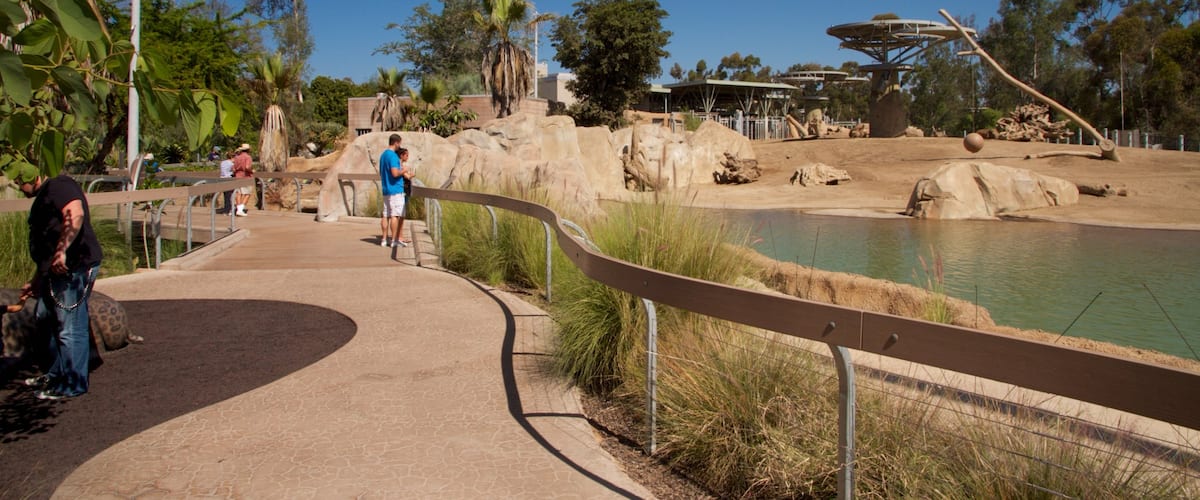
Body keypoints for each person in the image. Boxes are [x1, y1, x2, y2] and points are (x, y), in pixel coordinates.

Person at [10, 164, 103, 400]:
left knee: (70, 327)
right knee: (44, 317)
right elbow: (45, 244)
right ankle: (56, 373)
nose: (19, 189)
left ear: (29, 177)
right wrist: (36, 280)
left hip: (73, 268)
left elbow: (76, 212)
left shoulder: (59, 186)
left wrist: (62, 251)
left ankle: (73, 383)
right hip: (54, 273)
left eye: (19, 183)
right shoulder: (44, 196)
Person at [377, 134, 412, 247]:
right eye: (399, 143)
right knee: (395, 215)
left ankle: (383, 239)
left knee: (385, 214)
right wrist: (404, 170)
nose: (399, 146)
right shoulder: (392, 156)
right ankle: (394, 240)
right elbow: (395, 173)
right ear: (396, 142)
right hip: (395, 189)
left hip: (386, 188)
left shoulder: (383, 156)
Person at [231, 143, 254, 217]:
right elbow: (247, 167)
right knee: (247, 193)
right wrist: (252, 171)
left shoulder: (237, 157)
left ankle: (238, 209)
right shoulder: (248, 157)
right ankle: (240, 210)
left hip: (238, 176)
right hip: (246, 176)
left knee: (238, 193)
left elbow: (233, 168)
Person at [216, 150, 235, 214]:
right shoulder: (231, 164)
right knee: (229, 195)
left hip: (222, 179)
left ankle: (226, 209)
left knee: (226, 195)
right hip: (229, 179)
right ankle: (228, 209)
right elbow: (234, 170)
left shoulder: (223, 162)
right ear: (232, 157)